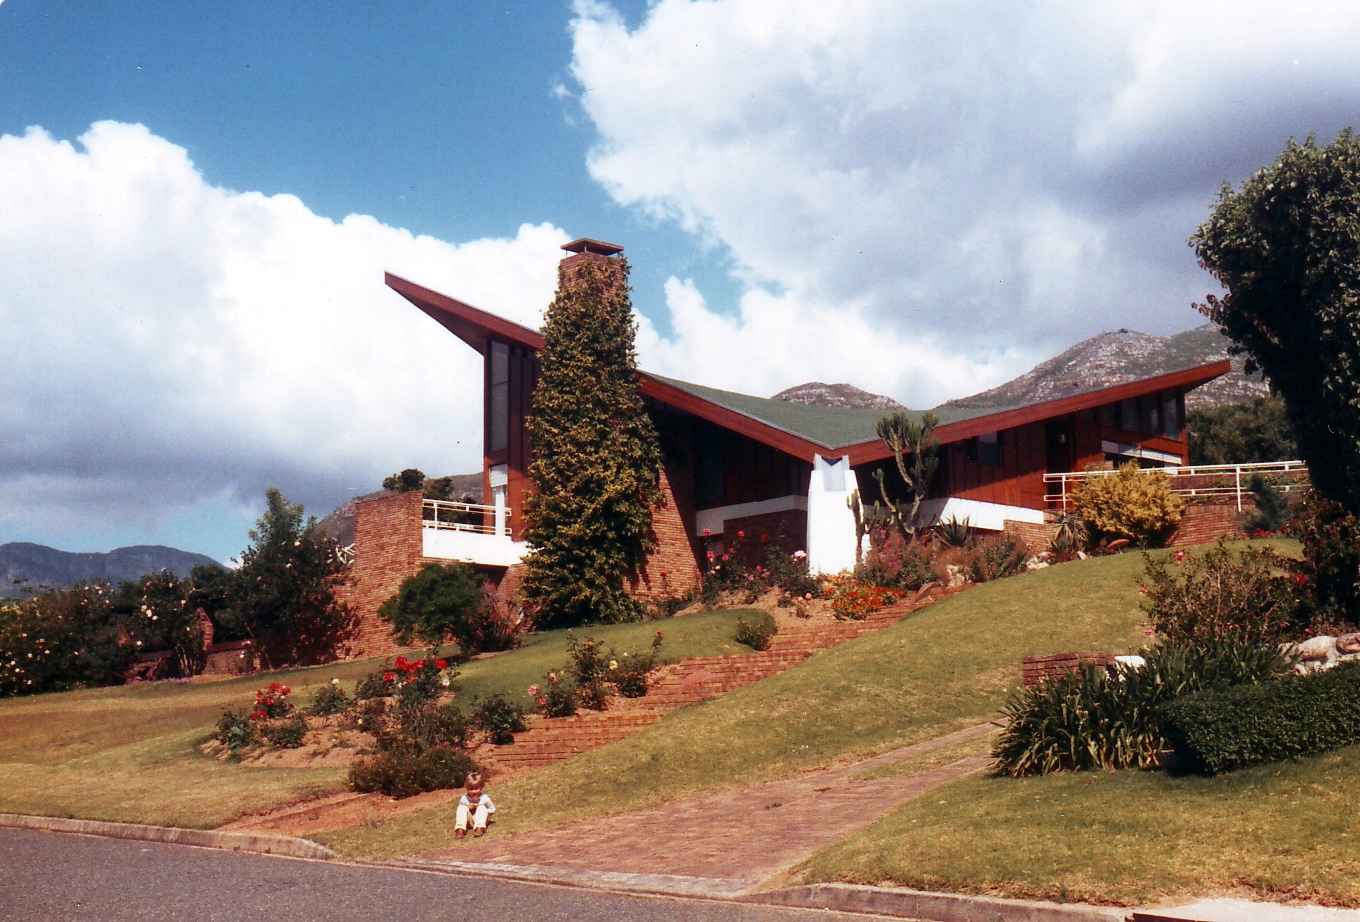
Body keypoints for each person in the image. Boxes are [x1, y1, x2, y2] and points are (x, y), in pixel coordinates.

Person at [454, 772, 495, 838]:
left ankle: (479, 828)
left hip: (481, 819)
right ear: (467, 788)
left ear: (481, 788)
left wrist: (482, 808)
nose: (474, 792)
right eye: (471, 789)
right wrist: (467, 807)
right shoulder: (464, 799)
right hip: (469, 821)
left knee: (481, 807)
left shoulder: (484, 798)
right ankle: (460, 829)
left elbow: (492, 809)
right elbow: (459, 812)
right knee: (462, 807)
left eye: (476, 789)